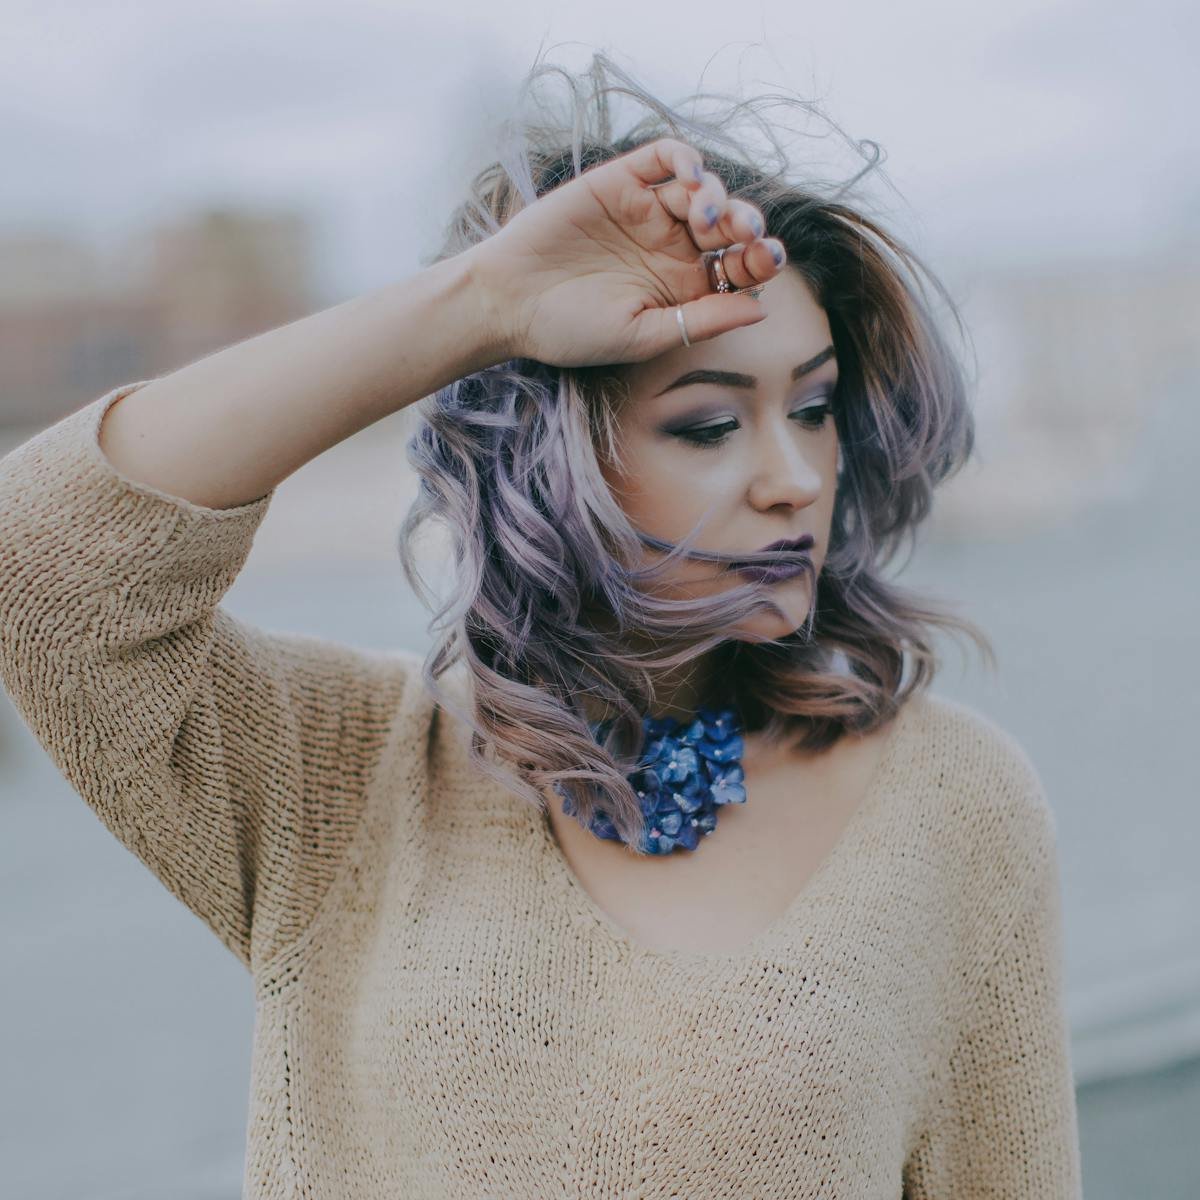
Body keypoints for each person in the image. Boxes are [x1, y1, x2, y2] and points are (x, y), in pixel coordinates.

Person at [0, 50, 1082, 1199]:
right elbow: (42, 572)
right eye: (710, 425)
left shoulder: (953, 804)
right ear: (551, 466)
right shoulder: (340, 774)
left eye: (813, 409)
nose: (794, 477)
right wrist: (482, 304)